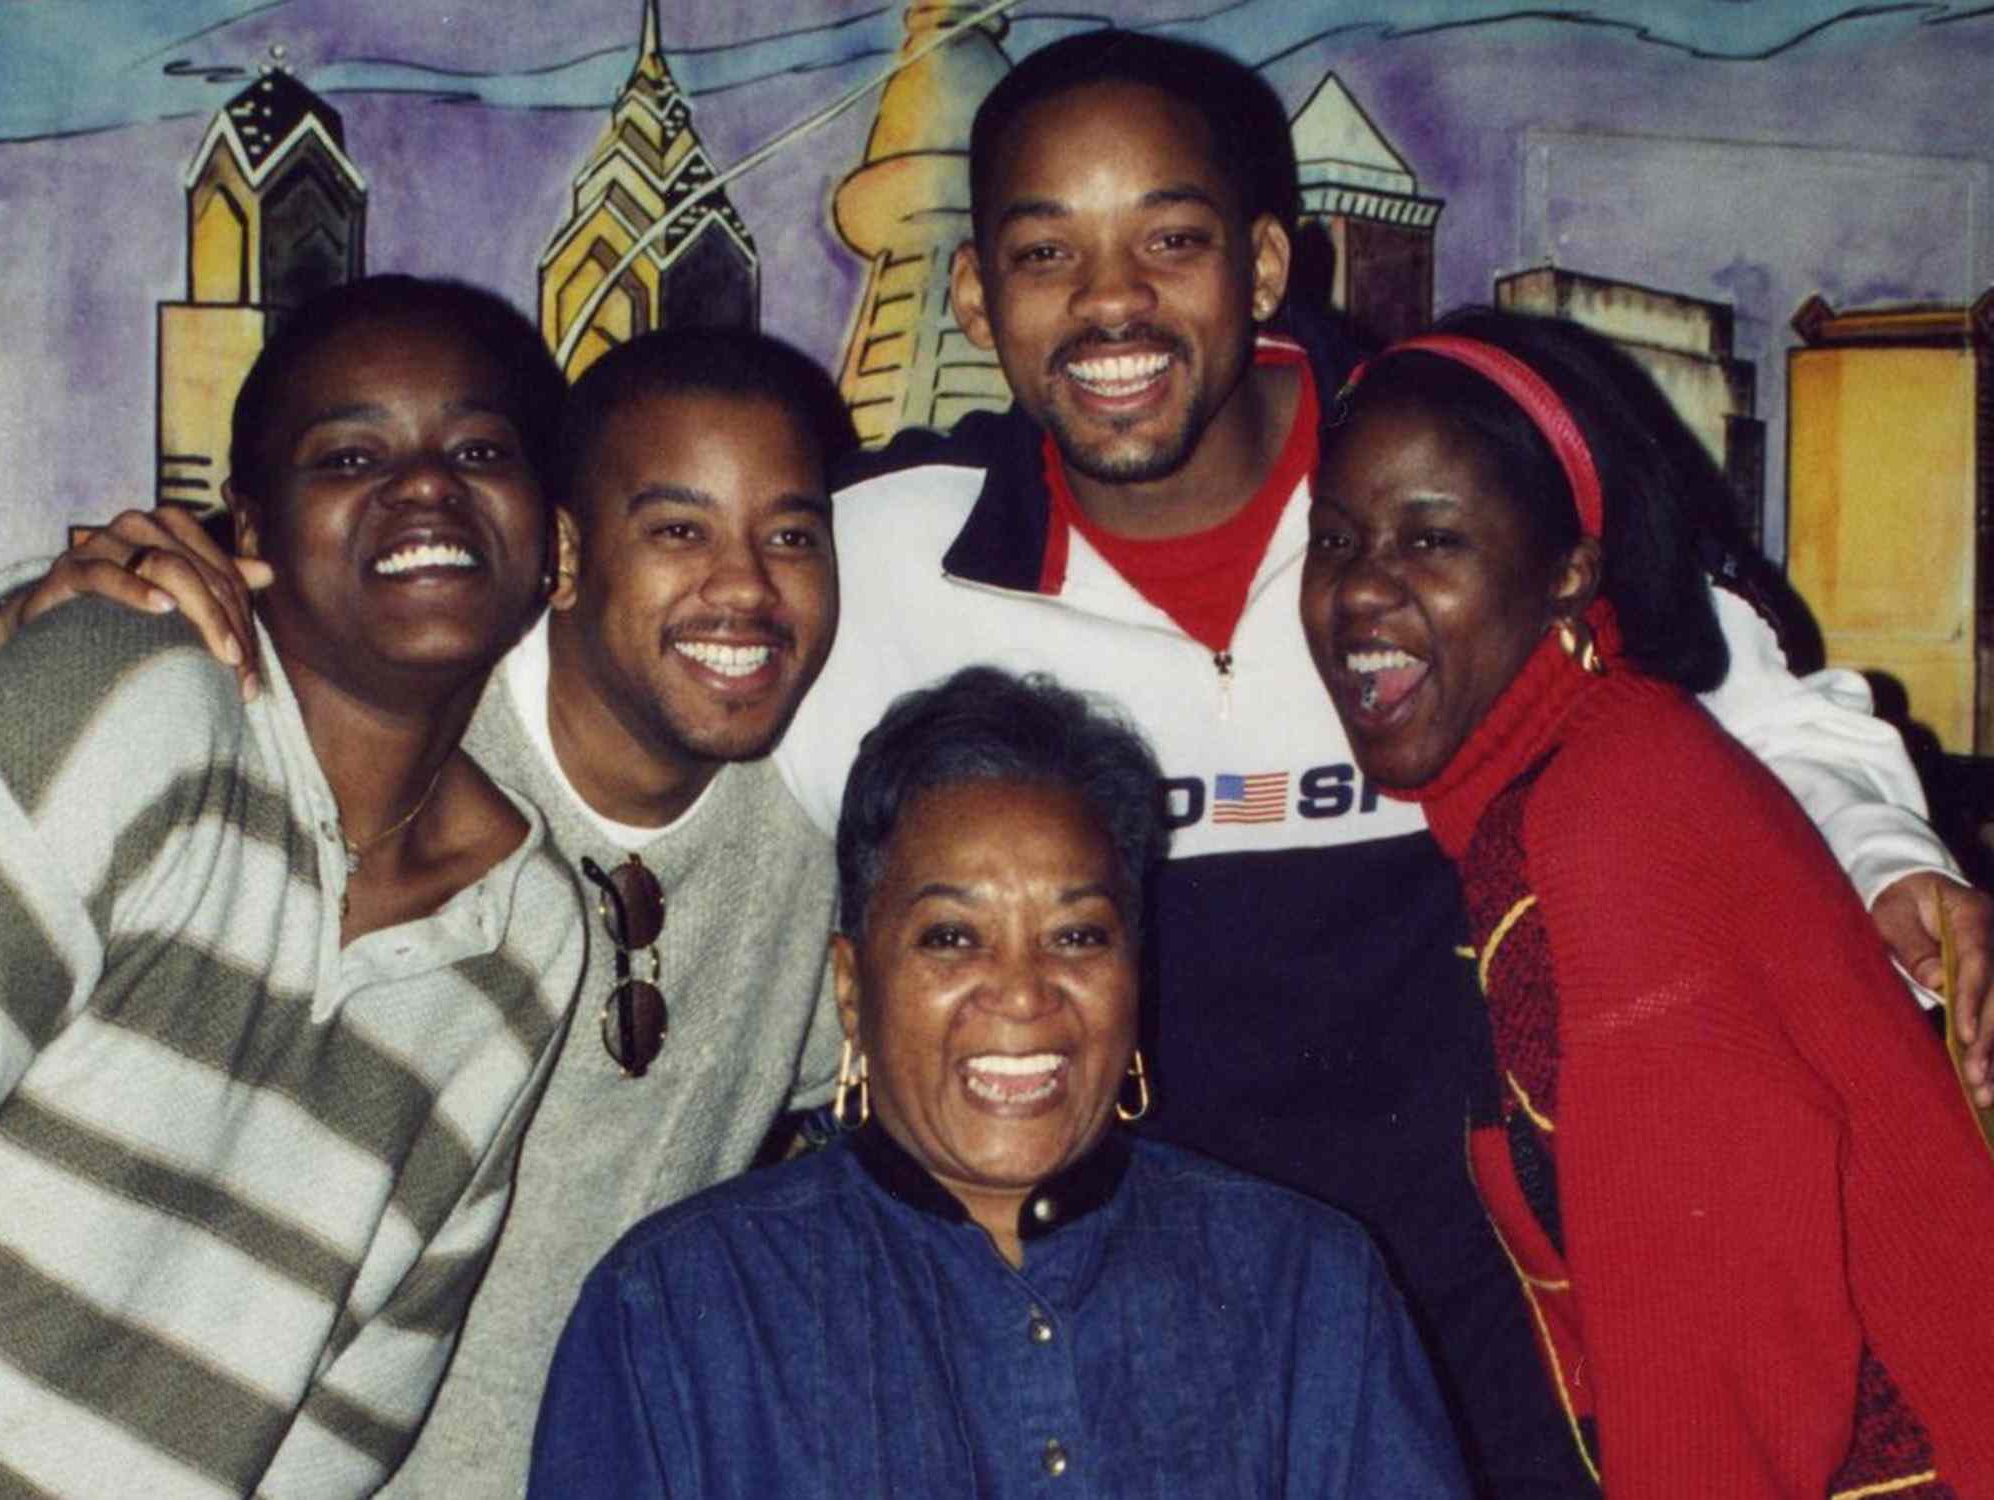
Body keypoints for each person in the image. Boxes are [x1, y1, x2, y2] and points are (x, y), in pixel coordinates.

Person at [767, 29, 1994, 1496]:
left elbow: (1740, 689)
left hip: (1520, 1350)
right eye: (1047, 254)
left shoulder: (1436, 496)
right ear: (975, 293)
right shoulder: (879, 565)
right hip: (1151, 1374)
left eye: (1170, 240)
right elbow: (627, 690)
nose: (1113, 304)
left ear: (1267, 267)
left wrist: (1894, 863)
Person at [0, 322, 854, 1496]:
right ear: (568, 553)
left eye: (791, 535)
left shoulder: (559, 915)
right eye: (675, 528)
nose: (742, 583)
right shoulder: (185, 703)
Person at [1300, 307, 1994, 1494]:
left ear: (1570, 570)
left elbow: (1717, 1356)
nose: (1364, 590)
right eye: (1336, 540)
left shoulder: (1605, 820)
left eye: (1431, 541)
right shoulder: (1576, 772)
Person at [529, 666, 1472, 1498]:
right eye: (951, 937)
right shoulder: (676, 1314)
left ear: (1136, 976)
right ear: (853, 990)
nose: (1023, 992)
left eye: (1077, 936)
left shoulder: (1307, 1289)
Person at [0, 275, 586, 1497]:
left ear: (553, 548)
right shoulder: (127, 698)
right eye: (348, 454)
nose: (424, 485)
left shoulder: (526, 937)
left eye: (479, 447)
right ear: (248, 534)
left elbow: (350, 1419)